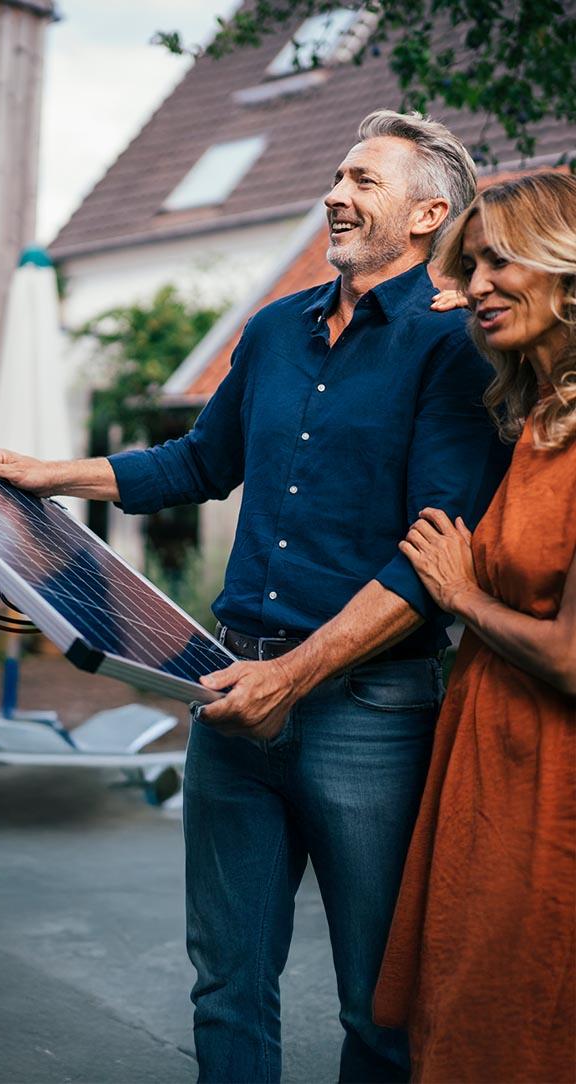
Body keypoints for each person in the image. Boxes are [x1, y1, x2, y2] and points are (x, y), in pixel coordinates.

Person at [0, 110, 512, 1081]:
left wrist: (293, 675)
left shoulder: (451, 351)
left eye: (362, 181)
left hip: (372, 714)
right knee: (224, 985)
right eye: (336, 176)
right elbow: (196, 461)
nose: (333, 194)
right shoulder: (271, 331)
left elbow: (430, 560)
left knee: (376, 1006)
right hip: (230, 697)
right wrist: (45, 475)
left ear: (429, 212)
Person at [373, 171, 576, 1083]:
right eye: (472, 264)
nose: (479, 284)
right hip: (484, 764)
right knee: (458, 1022)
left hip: (551, 785)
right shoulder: (536, 418)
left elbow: (573, 657)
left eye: (502, 259)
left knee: (517, 1032)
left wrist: (460, 596)